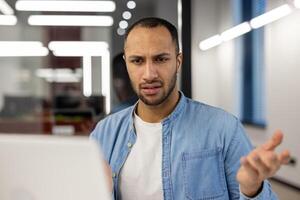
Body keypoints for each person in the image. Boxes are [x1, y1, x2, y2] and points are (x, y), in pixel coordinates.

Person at [90, 17, 290, 200]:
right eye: (138, 61)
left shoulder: (223, 129)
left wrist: (252, 189)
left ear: (178, 62)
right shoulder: (104, 134)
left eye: (160, 59)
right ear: (127, 64)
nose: (149, 74)